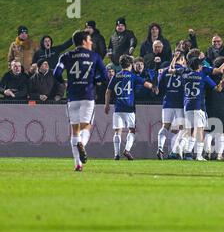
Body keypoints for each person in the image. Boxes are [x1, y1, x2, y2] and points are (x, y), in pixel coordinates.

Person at [54, 30, 108, 172]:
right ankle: (81, 144)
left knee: (74, 131)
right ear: (84, 41)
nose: (91, 43)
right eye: (90, 40)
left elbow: (56, 73)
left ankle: (78, 164)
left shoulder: (66, 56)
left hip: (72, 97)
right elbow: (105, 76)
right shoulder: (94, 56)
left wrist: (64, 82)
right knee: (86, 127)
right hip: (87, 96)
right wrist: (93, 81)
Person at [104, 55, 154, 160]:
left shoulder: (116, 76)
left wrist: (107, 105)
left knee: (117, 131)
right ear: (131, 65)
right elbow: (146, 84)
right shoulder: (132, 76)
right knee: (132, 130)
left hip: (118, 108)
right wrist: (154, 87)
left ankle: (116, 154)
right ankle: (127, 150)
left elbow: (108, 91)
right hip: (129, 108)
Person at [182, 57, 224, 161]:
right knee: (200, 130)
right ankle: (198, 155)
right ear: (199, 66)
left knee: (191, 130)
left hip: (187, 105)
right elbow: (218, 89)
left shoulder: (184, 75)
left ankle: (188, 152)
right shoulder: (203, 76)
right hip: (198, 105)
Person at [157, 52, 187, 160]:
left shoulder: (165, 71)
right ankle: (174, 151)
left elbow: (159, 87)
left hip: (167, 102)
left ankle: (160, 147)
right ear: (183, 59)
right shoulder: (184, 70)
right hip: (180, 103)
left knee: (165, 126)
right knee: (181, 129)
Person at [204, 57, 224, 160]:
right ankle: (219, 154)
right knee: (223, 132)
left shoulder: (208, 75)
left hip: (210, 104)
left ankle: (207, 151)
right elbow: (223, 88)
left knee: (209, 130)